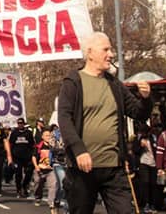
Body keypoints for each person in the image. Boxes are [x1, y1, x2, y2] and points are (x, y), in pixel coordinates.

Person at [57, 31, 152, 214]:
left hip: (114, 169)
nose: (111, 54)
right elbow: (65, 119)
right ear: (90, 53)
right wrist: (79, 150)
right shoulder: (73, 82)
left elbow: (138, 112)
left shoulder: (115, 84)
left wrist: (146, 99)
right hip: (83, 169)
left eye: (111, 50)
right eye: (106, 50)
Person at [132, 124, 159, 213]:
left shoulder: (153, 138)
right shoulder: (138, 138)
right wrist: (141, 146)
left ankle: (153, 204)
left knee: (153, 184)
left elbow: (156, 150)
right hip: (143, 163)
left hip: (153, 163)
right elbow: (135, 150)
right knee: (145, 183)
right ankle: (146, 203)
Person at [9, 117, 36, 198]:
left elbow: (32, 144)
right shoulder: (14, 133)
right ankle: (18, 189)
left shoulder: (28, 133)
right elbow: (11, 144)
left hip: (27, 157)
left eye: (21, 123)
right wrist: (10, 156)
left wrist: (32, 155)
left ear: (24, 124)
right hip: (17, 157)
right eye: (19, 123)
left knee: (28, 173)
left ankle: (24, 185)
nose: (20, 125)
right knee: (18, 174)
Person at [34, 129, 60, 214]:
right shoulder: (39, 146)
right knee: (38, 184)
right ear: (42, 137)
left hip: (50, 170)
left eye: (49, 135)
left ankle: (51, 203)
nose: (48, 137)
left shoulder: (53, 146)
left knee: (53, 184)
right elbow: (34, 157)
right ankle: (38, 197)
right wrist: (36, 166)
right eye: (46, 135)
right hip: (40, 169)